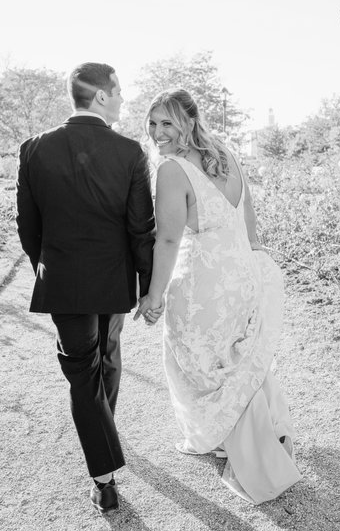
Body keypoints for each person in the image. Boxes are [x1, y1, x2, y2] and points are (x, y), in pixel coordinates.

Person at [135, 89, 301, 504]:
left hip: (203, 282)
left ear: (189, 122)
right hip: (241, 271)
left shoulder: (172, 169)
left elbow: (169, 239)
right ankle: (255, 428)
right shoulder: (226, 153)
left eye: (167, 123)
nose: (158, 133)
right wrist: (256, 269)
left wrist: (154, 297)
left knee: (200, 361)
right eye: (152, 123)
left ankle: (245, 444)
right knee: (235, 355)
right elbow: (248, 219)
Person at [16, 62, 158, 513]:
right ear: (99, 95)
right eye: (118, 92)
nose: (122, 100)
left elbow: (27, 225)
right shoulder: (130, 151)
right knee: (107, 357)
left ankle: (103, 475)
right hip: (114, 278)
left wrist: (50, 263)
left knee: (83, 369)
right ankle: (106, 472)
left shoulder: (35, 148)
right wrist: (148, 285)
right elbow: (142, 228)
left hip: (63, 279)